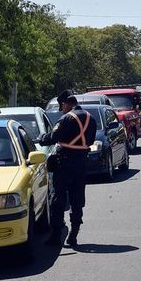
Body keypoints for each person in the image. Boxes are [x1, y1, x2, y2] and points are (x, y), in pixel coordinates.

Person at [38, 90, 97, 247]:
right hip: (82, 163)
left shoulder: (67, 118)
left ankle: (56, 235)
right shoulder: (91, 118)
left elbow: (53, 137)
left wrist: (42, 139)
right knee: (77, 199)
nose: (61, 109)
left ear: (65, 104)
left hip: (64, 163)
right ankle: (74, 234)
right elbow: (90, 140)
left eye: (61, 106)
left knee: (58, 198)